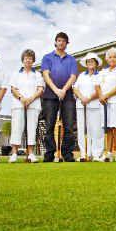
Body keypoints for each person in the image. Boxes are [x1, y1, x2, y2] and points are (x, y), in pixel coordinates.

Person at [41, 32, 78, 162]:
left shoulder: (71, 59)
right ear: (55, 42)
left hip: (67, 95)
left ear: (67, 43)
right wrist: (56, 90)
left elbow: (73, 76)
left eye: (63, 41)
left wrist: (63, 90)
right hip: (50, 95)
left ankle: (67, 154)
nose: (61, 43)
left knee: (68, 126)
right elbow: (46, 75)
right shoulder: (47, 57)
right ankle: (50, 154)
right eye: (59, 40)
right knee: (50, 125)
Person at [9, 49, 45, 163]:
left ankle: (31, 154)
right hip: (18, 104)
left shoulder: (38, 74)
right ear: (22, 60)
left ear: (33, 60)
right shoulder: (16, 74)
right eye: (26, 58)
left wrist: (30, 99)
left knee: (31, 128)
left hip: (33, 104)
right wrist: (21, 98)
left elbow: (40, 89)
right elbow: (13, 89)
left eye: (30, 58)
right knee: (16, 127)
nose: (28, 60)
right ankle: (14, 153)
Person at [96, 47, 116, 162]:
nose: (112, 59)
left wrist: (107, 95)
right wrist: (101, 96)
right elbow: (97, 86)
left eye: (114, 56)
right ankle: (108, 153)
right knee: (107, 129)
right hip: (104, 103)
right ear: (107, 59)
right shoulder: (103, 72)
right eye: (110, 57)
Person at [73, 52, 104, 162]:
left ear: (96, 63)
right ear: (86, 64)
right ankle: (83, 154)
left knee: (95, 130)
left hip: (94, 106)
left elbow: (99, 90)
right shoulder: (82, 75)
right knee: (82, 130)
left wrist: (89, 98)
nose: (90, 63)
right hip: (81, 106)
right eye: (88, 61)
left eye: (92, 61)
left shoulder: (100, 75)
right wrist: (82, 98)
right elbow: (75, 88)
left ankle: (95, 154)